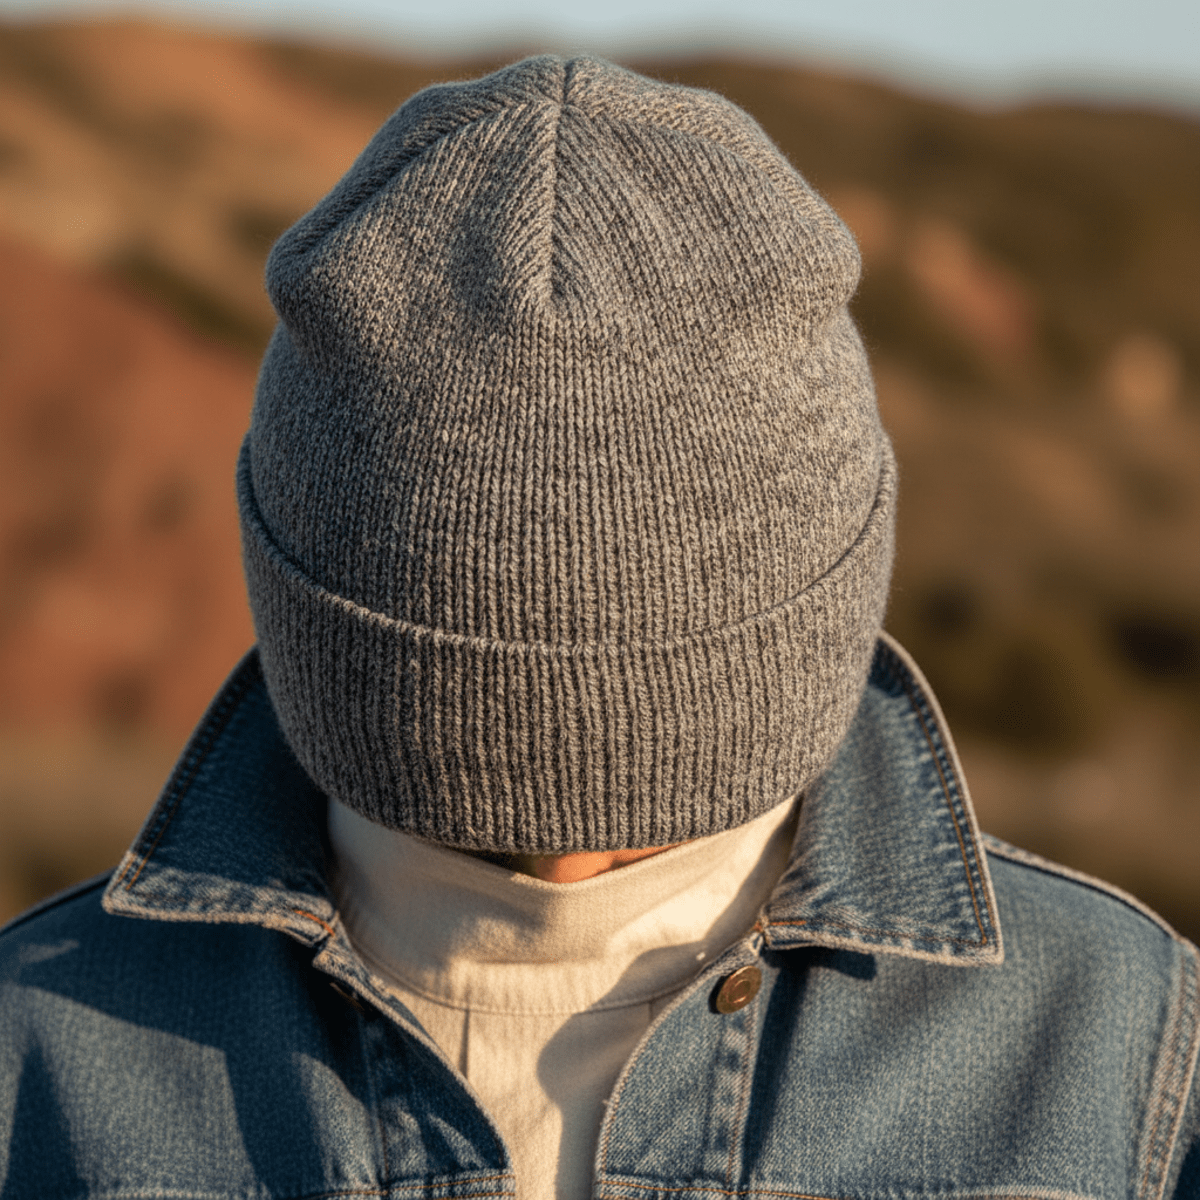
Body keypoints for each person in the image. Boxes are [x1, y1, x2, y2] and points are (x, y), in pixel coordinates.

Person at [1, 54, 1197, 1200]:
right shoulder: (35, 1060)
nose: (568, 875)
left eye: (664, 821)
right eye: (450, 811)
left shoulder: (1126, 1055)